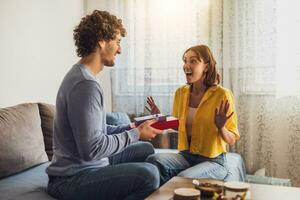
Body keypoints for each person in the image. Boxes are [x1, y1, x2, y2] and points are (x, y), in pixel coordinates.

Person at [46, 10, 164, 200]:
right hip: (71, 179)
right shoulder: (85, 85)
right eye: (117, 42)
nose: (120, 49)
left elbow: (96, 130)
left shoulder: (82, 76)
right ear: (101, 41)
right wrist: (135, 134)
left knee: (146, 149)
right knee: (149, 175)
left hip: (87, 166)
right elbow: (92, 149)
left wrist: (133, 127)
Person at [145, 45, 240, 185]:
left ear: (206, 67)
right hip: (186, 156)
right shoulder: (181, 93)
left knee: (184, 178)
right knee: (153, 161)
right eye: (185, 61)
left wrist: (221, 128)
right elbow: (178, 125)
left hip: (213, 161)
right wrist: (160, 117)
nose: (186, 65)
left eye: (193, 61)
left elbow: (232, 139)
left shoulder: (222, 95)